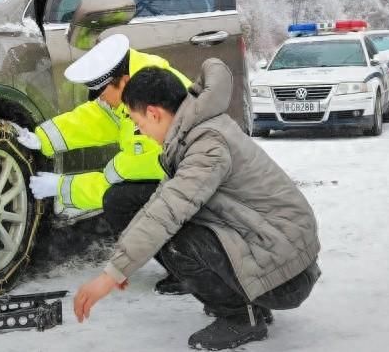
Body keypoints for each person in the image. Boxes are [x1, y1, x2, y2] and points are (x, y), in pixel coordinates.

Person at [73, 59, 321, 350]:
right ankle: (248, 303)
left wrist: (108, 278)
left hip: (286, 275)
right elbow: (159, 203)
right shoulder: (195, 131)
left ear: (154, 113)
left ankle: (241, 317)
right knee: (154, 214)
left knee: (175, 237)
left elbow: (165, 215)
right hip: (276, 252)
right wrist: (120, 266)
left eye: (138, 124)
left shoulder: (206, 146)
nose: (141, 132)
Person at [13, 33, 193, 294]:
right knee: (124, 197)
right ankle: (188, 264)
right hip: (184, 187)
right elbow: (94, 119)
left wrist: (64, 187)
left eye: (102, 92)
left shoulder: (154, 106)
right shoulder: (137, 85)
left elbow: (115, 179)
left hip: (198, 195)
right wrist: (42, 138)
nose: (101, 99)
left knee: (119, 200)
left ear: (124, 82)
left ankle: (190, 269)